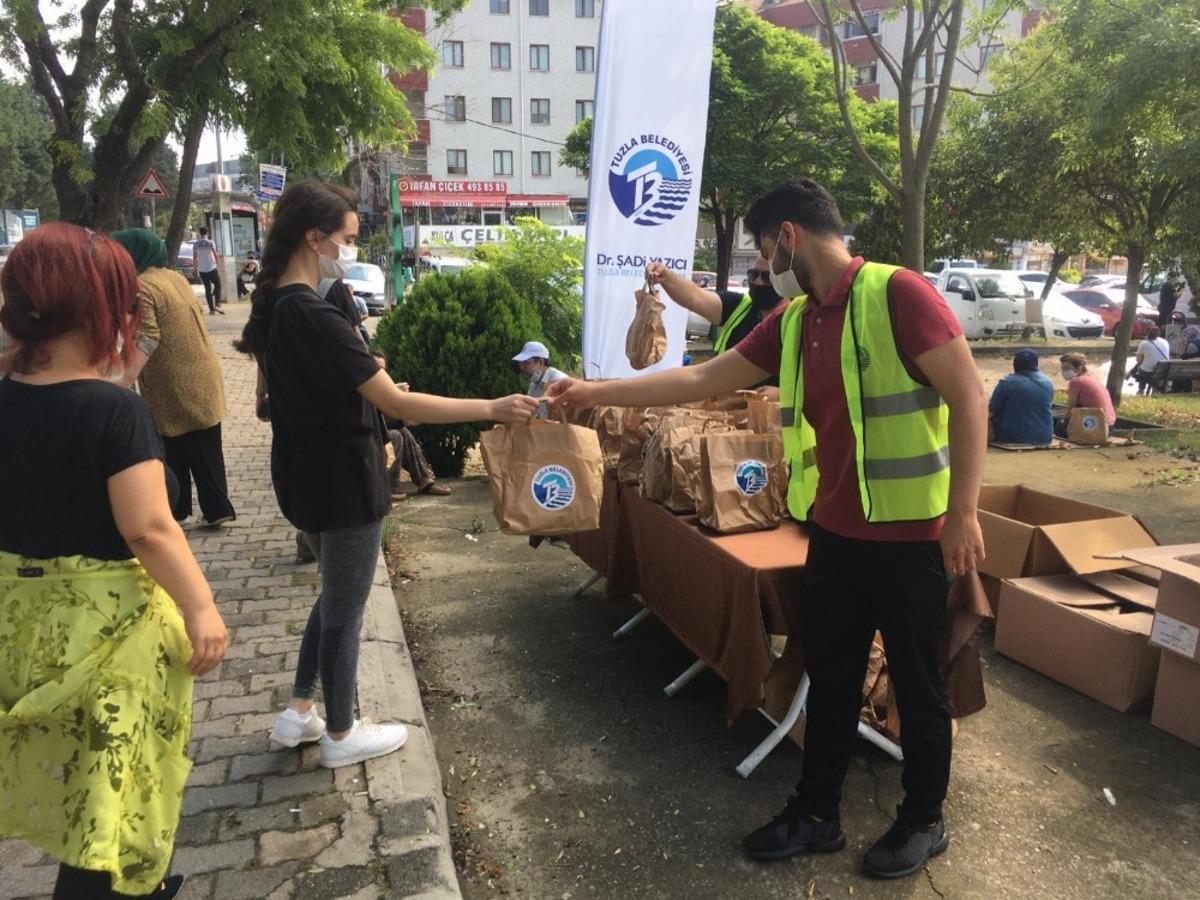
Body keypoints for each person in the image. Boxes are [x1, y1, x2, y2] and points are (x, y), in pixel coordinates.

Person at [547, 179, 987, 880]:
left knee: (919, 683)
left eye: (761, 247)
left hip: (910, 540)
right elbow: (702, 380)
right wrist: (593, 391)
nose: (763, 265)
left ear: (787, 236)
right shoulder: (796, 318)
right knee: (834, 680)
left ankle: (922, 819)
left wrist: (963, 511)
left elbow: (968, 397)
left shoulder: (897, 294)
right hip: (833, 537)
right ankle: (817, 815)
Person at [235, 181, 537, 769]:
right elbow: (400, 405)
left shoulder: (276, 303)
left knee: (333, 597)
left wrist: (370, 383)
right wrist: (492, 408)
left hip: (305, 472)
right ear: (313, 237)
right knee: (347, 611)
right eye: (346, 239)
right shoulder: (314, 315)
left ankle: (300, 711)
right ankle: (342, 736)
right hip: (342, 479)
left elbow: (336, 388)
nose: (348, 250)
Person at [0, 223, 227, 899]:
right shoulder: (113, 412)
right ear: (105, 307)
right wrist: (201, 607)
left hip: (17, 619)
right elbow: (151, 528)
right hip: (106, 633)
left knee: (56, 767)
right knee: (108, 792)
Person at [113, 228, 237, 526]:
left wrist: (122, 382)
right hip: (203, 372)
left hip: (172, 379)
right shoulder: (175, 278)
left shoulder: (143, 286)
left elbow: (148, 337)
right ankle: (218, 508)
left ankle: (176, 508)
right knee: (206, 444)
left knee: (173, 448)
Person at [645, 256, 785, 388]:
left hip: (771, 411)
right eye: (753, 274)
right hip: (727, 407)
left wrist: (781, 395)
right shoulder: (739, 306)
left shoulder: (797, 318)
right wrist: (667, 277)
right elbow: (695, 297)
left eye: (767, 277)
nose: (758, 282)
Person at [371, 351, 452, 499]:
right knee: (395, 436)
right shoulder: (362, 387)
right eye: (376, 368)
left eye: (383, 370)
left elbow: (385, 421)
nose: (380, 373)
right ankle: (388, 488)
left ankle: (424, 480)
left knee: (402, 432)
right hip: (363, 438)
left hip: (376, 434)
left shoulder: (380, 389)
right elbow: (372, 419)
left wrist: (402, 407)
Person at [988, 348, 1054, 445]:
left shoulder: (1007, 383)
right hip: (1044, 436)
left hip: (1013, 437)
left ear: (1015, 364)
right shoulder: (1048, 382)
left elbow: (991, 411)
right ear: (1036, 363)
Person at [1055, 353, 1116, 438]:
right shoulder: (1093, 377)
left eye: (1067, 368)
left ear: (1079, 368)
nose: (1064, 372)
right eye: (1062, 369)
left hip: (1098, 428)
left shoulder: (1076, 381)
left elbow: (1070, 411)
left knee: (1057, 426)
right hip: (1110, 427)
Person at [513, 340, 566, 419]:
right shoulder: (534, 384)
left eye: (527, 363)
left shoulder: (560, 380)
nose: (522, 367)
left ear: (541, 362)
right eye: (521, 363)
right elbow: (531, 412)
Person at [193, 226, 223, 314]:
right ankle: (217, 304)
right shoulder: (210, 242)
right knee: (218, 285)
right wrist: (217, 264)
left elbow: (194, 257)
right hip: (211, 267)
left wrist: (195, 268)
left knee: (207, 289)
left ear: (200, 233)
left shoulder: (196, 244)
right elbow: (215, 254)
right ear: (207, 233)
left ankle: (211, 309)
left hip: (202, 269)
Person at [1133, 324, 1170, 395]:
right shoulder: (1165, 342)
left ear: (1147, 333)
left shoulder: (1144, 343)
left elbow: (1138, 360)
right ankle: (1155, 390)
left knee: (1141, 368)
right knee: (1154, 371)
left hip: (1148, 372)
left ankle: (1141, 390)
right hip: (1163, 371)